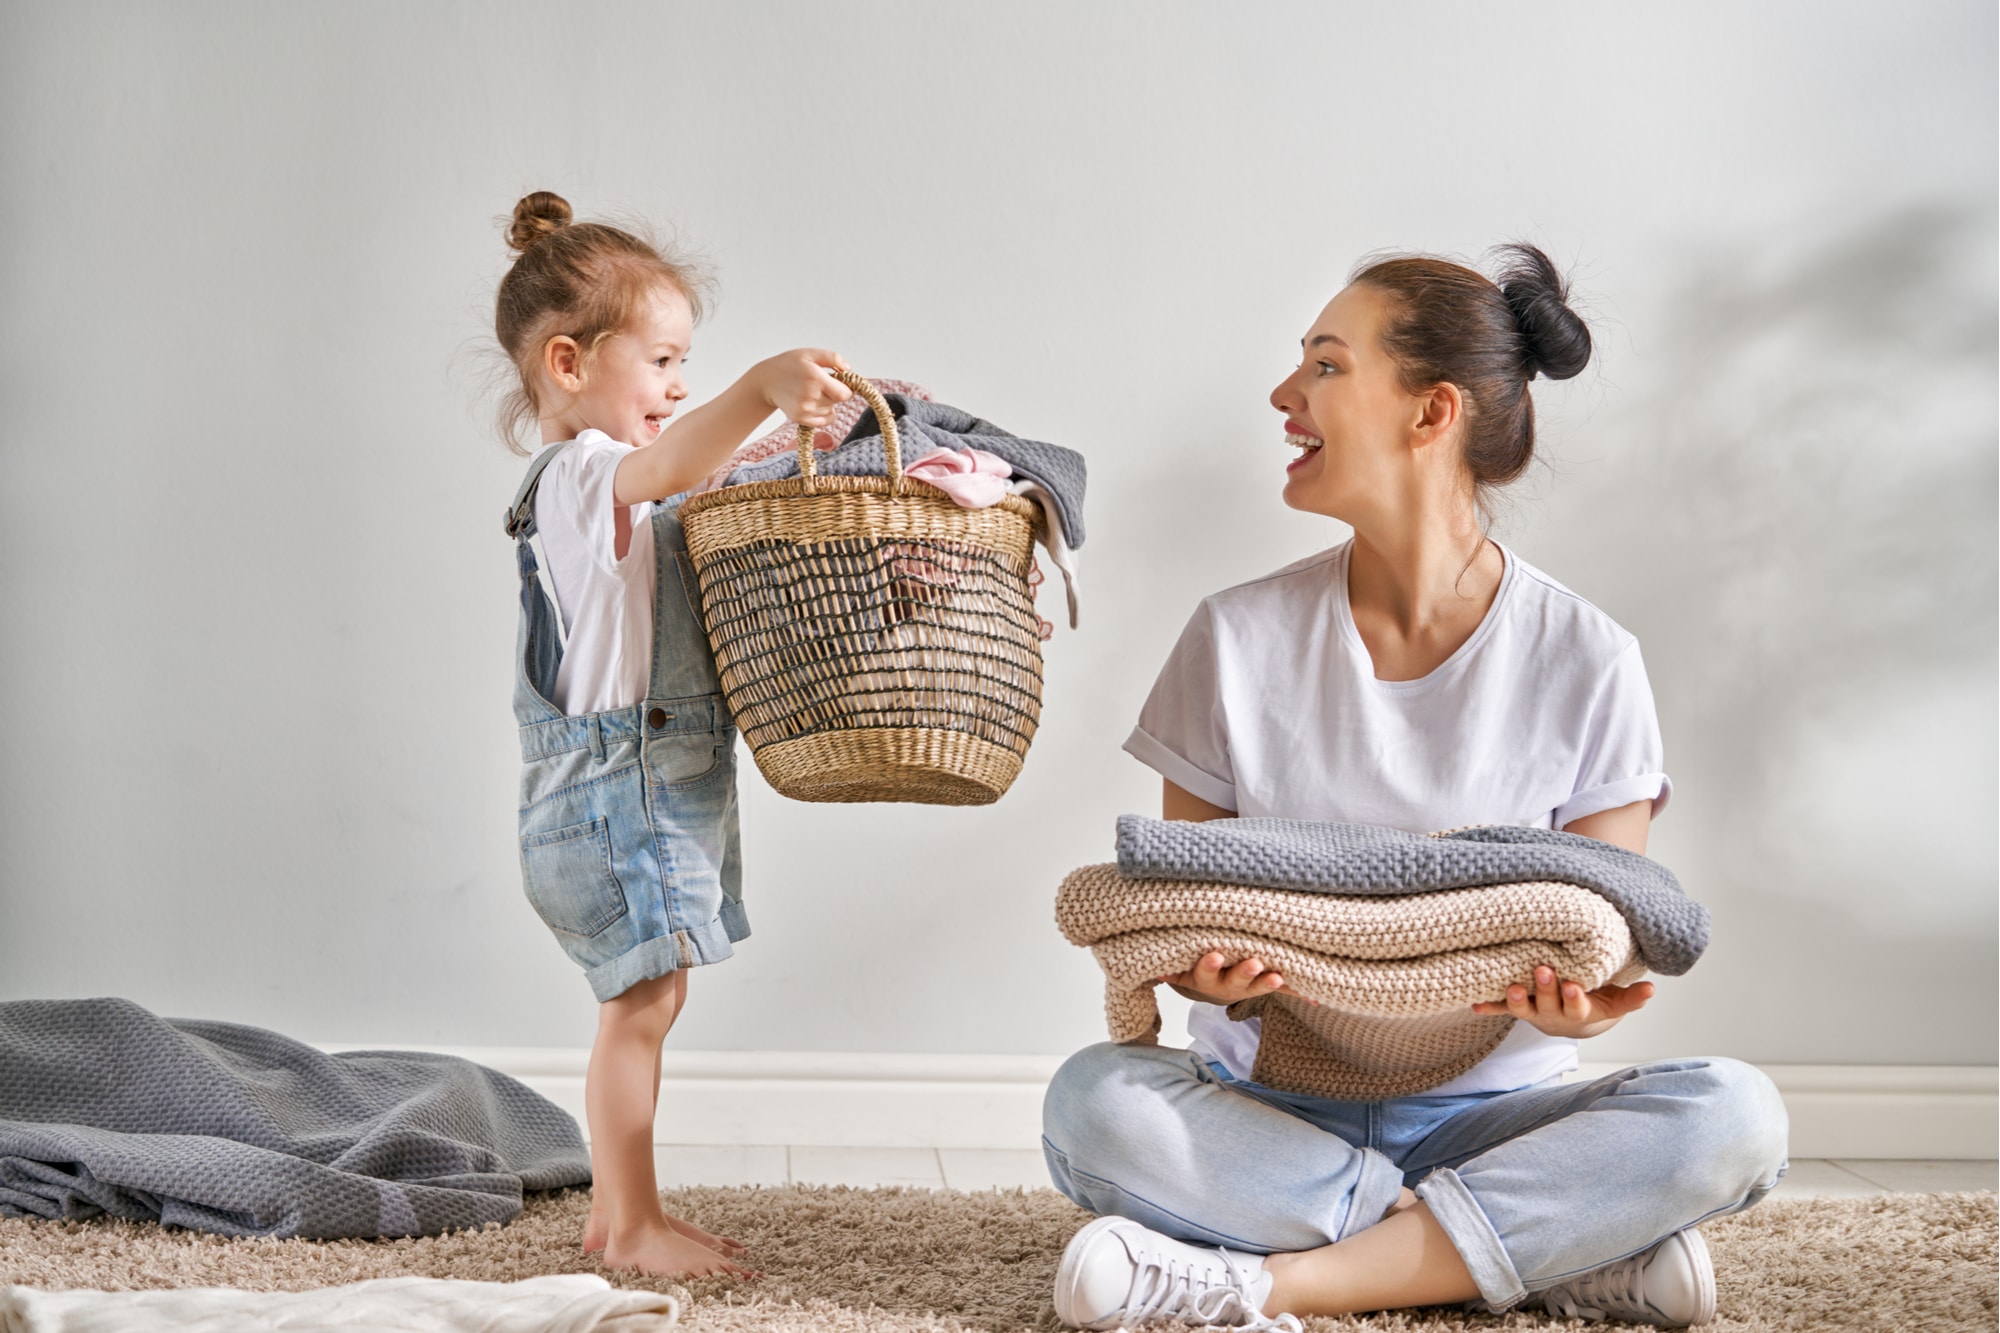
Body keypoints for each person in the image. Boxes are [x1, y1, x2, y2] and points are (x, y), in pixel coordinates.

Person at [1041, 246, 1789, 1329]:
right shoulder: (1233, 636)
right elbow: (1184, 906)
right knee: (1089, 1103)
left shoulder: (1585, 656)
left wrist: (1586, 1003)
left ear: (1428, 412)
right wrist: (1209, 982)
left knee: (1734, 1115)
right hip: (1269, 1108)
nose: (1282, 395)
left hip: (1495, 1113)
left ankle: (1268, 1282)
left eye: (1326, 366)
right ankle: (1537, 1251)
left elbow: (1604, 924)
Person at [494, 191, 851, 1277]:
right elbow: (673, 465)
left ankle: (616, 1214)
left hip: (641, 786)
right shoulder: (578, 477)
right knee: (639, 1006)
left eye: (686, 363)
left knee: (648, 999)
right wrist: (756, 388)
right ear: (569, 364)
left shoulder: (614, 497)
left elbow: (682, 489)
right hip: (614, 795)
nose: (680, 383)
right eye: (660, 360)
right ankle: (635, 1222)